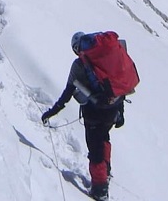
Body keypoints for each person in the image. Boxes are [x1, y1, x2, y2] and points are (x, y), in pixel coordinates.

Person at [40, 32, 128, 201]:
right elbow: (119, 86)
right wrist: (120, 113)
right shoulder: (105, 59)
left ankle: (100, 189)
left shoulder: (79, 65)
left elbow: (67, 93)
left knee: (95, 150)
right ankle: (106, 172)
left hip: (94, 113)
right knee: (104, 138)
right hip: (112, 110)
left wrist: (51, 112)